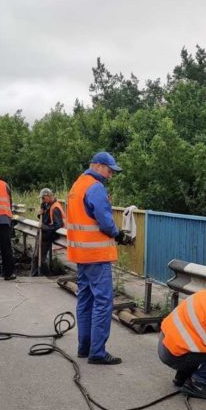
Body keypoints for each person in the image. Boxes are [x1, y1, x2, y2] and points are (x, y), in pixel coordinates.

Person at [66, 151, 132, 365]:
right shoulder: (95, 187)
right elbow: (104, 221)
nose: (111, 175)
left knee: (85, 299)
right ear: (98, 166)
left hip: (81, 254)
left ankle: (84, 347)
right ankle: (98, 352)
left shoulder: (77, 185)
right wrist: (119, 234)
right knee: (103, 301)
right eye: (110, 170)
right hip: (96, 255)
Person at [32, 188, 64, 276]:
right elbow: (46, 219)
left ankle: (46, 275)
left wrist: (44, 227)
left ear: (49, 196)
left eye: (43, 198)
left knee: (39, 258)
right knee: (36, 256)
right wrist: (40, 214)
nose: (42, 200)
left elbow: (58, 225)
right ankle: (34, 275)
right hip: (44, 233)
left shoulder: (55, 208)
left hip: (49, 235)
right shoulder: (47, 205)